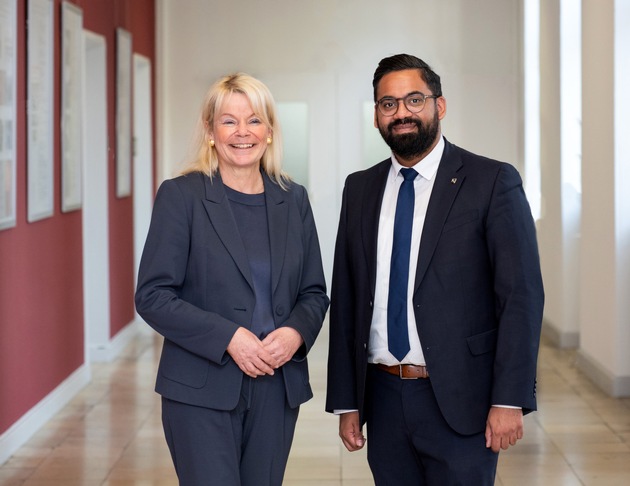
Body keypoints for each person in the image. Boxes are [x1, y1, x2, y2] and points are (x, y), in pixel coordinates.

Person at [325, 54, 544, 485]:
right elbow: (347, 297)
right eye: (388, 104)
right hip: (383, 397)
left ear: (438, 106)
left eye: (414, 99)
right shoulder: (360, 188)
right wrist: (347, 401)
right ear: (376, 115)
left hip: (463, 398)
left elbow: (520, 296)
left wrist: (509, 398)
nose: (401, 113)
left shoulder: (491, 181)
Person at [135, 73, 329, 486]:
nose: (243, 132)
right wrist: (228, 337)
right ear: (210, 131)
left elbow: (314, 291)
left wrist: (294, 333)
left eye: (254, 120)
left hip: (276, 385)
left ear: (270, 131)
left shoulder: (293, 198)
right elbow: (152, 295)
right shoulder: (181, 196)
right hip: (200, 388)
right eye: (229, 121)